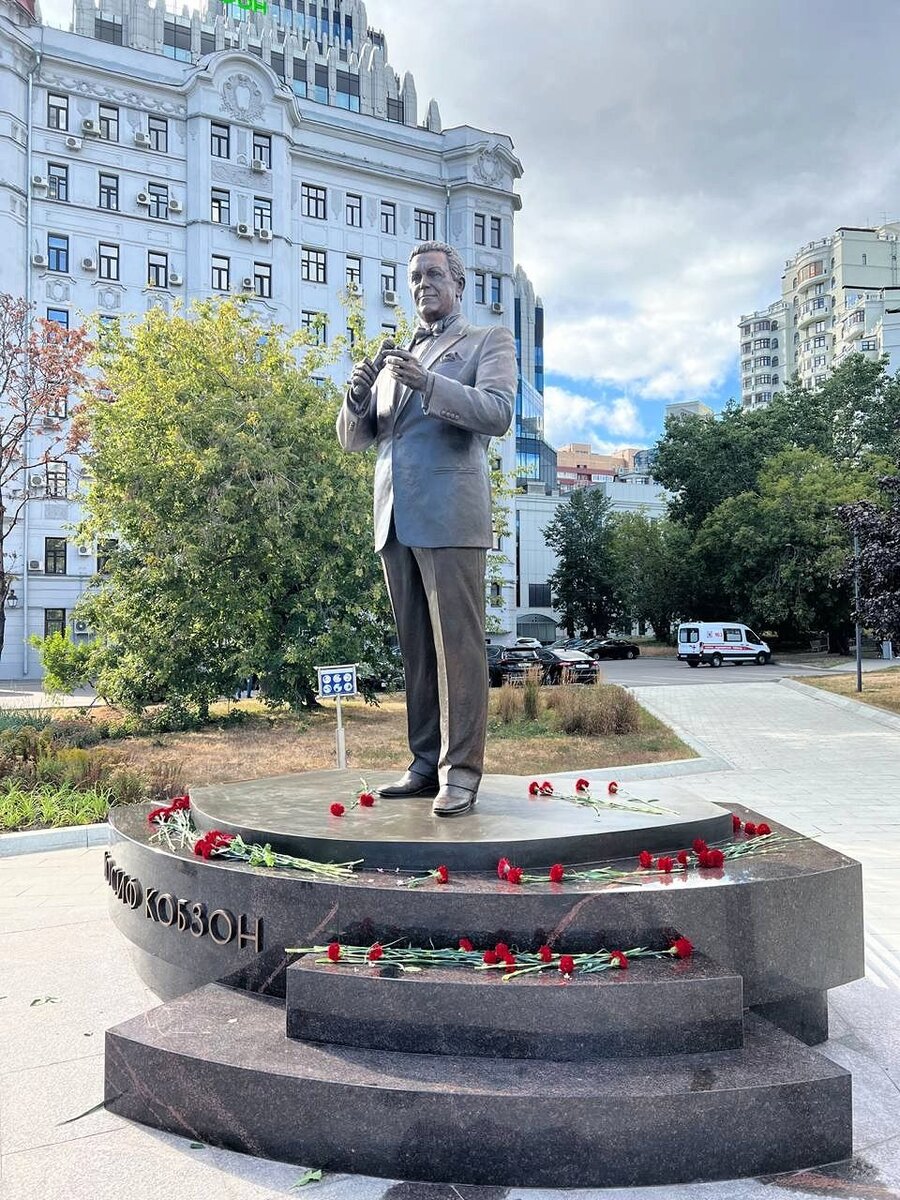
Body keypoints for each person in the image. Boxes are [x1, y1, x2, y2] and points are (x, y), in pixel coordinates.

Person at [336, 240, 516, 816]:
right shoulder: (396, 357)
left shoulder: (486, 341)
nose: (422, 285)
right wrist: (357, 399)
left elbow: (498, 413)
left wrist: (429, 384)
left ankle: (460, 771)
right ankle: (422, 763)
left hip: (451, 515)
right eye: (414, 277)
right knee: (416, 650)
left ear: (458, 284)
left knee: (457, 649)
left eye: (434, 275)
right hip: (394, 515)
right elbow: (357, 439)